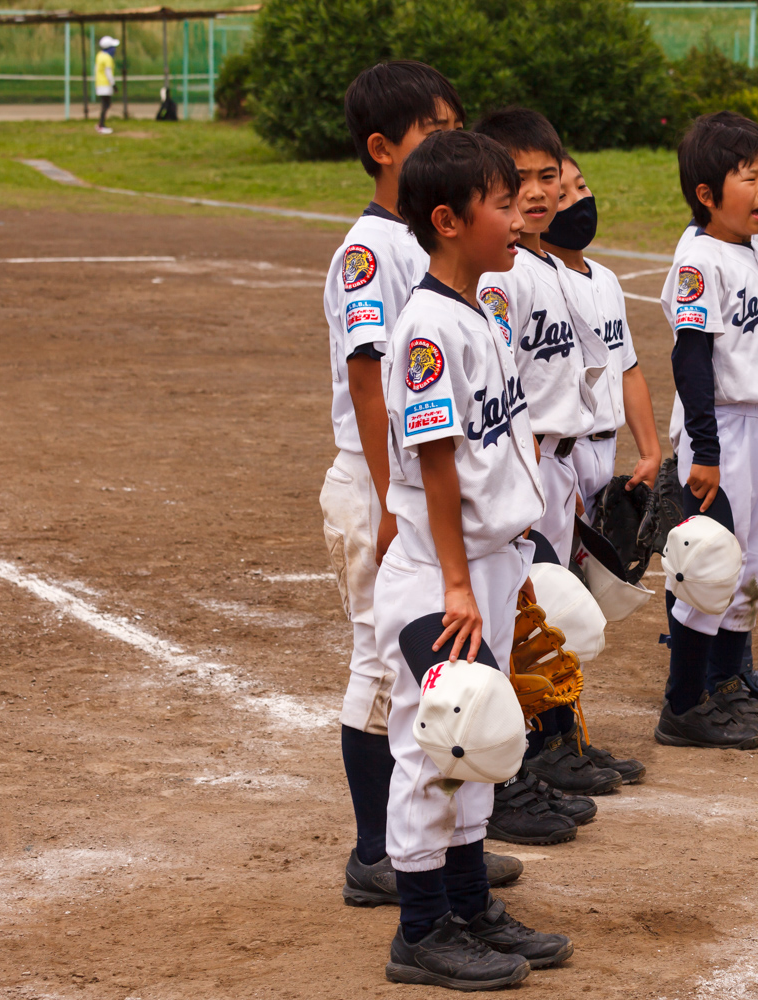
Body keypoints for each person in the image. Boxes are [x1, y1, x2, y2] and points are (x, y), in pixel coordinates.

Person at [374, 127, 572, 989]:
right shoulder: (426, 329)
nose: (518, 216)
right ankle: (419, 931)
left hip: (484, 562)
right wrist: (457, 580)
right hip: (434, 574)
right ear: (450, 220)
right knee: (437, 744)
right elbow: (436, 462)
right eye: (500, 203)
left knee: (483, 741)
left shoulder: (478, 312)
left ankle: (467, 907)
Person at [323, 61, 524, 909]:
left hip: (467, 526)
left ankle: (462, 894)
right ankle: (396, 874)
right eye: (433, 131)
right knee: (402, 697)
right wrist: (393, 508)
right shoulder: (382, 256)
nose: (518, 218)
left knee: (469, 717)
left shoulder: (468, 288)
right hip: (403, 503)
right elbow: (379, 393)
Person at [472, 108, 633, 804]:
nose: (538, 193)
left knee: (552, 611)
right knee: (526, 612)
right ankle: (532, 752)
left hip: (558, 461)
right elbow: (503, 382)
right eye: (519, 180)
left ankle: (560, 736)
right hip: (526, 459)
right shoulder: (503, 276)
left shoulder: (547, 265)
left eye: (548, 177)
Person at [656, 111, 758, 747]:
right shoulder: (698, 262)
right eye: (749, 177)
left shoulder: (754, 247)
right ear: (707, 194)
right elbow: (690, 360)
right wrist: (707, 451)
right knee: (708, 565)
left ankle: (722, 684)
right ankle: (682, 704)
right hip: (724, 430)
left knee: (747, 564)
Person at [541, 153, 663, 509]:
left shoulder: (606, 279)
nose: (579, 200)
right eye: (562, 196)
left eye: (581, 186)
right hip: (562, 450)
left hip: (606, 451)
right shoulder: (534, 281)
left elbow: (628, 368)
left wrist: (650, 451)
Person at [94, 36, 118, 134]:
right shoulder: (107, 58)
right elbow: (108, 73)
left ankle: (101, 124)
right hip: (105, 84)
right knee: (106, 105)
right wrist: (113, 84)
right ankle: (101, 125)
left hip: (99, 83)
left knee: (106, 104)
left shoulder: (99, 55)